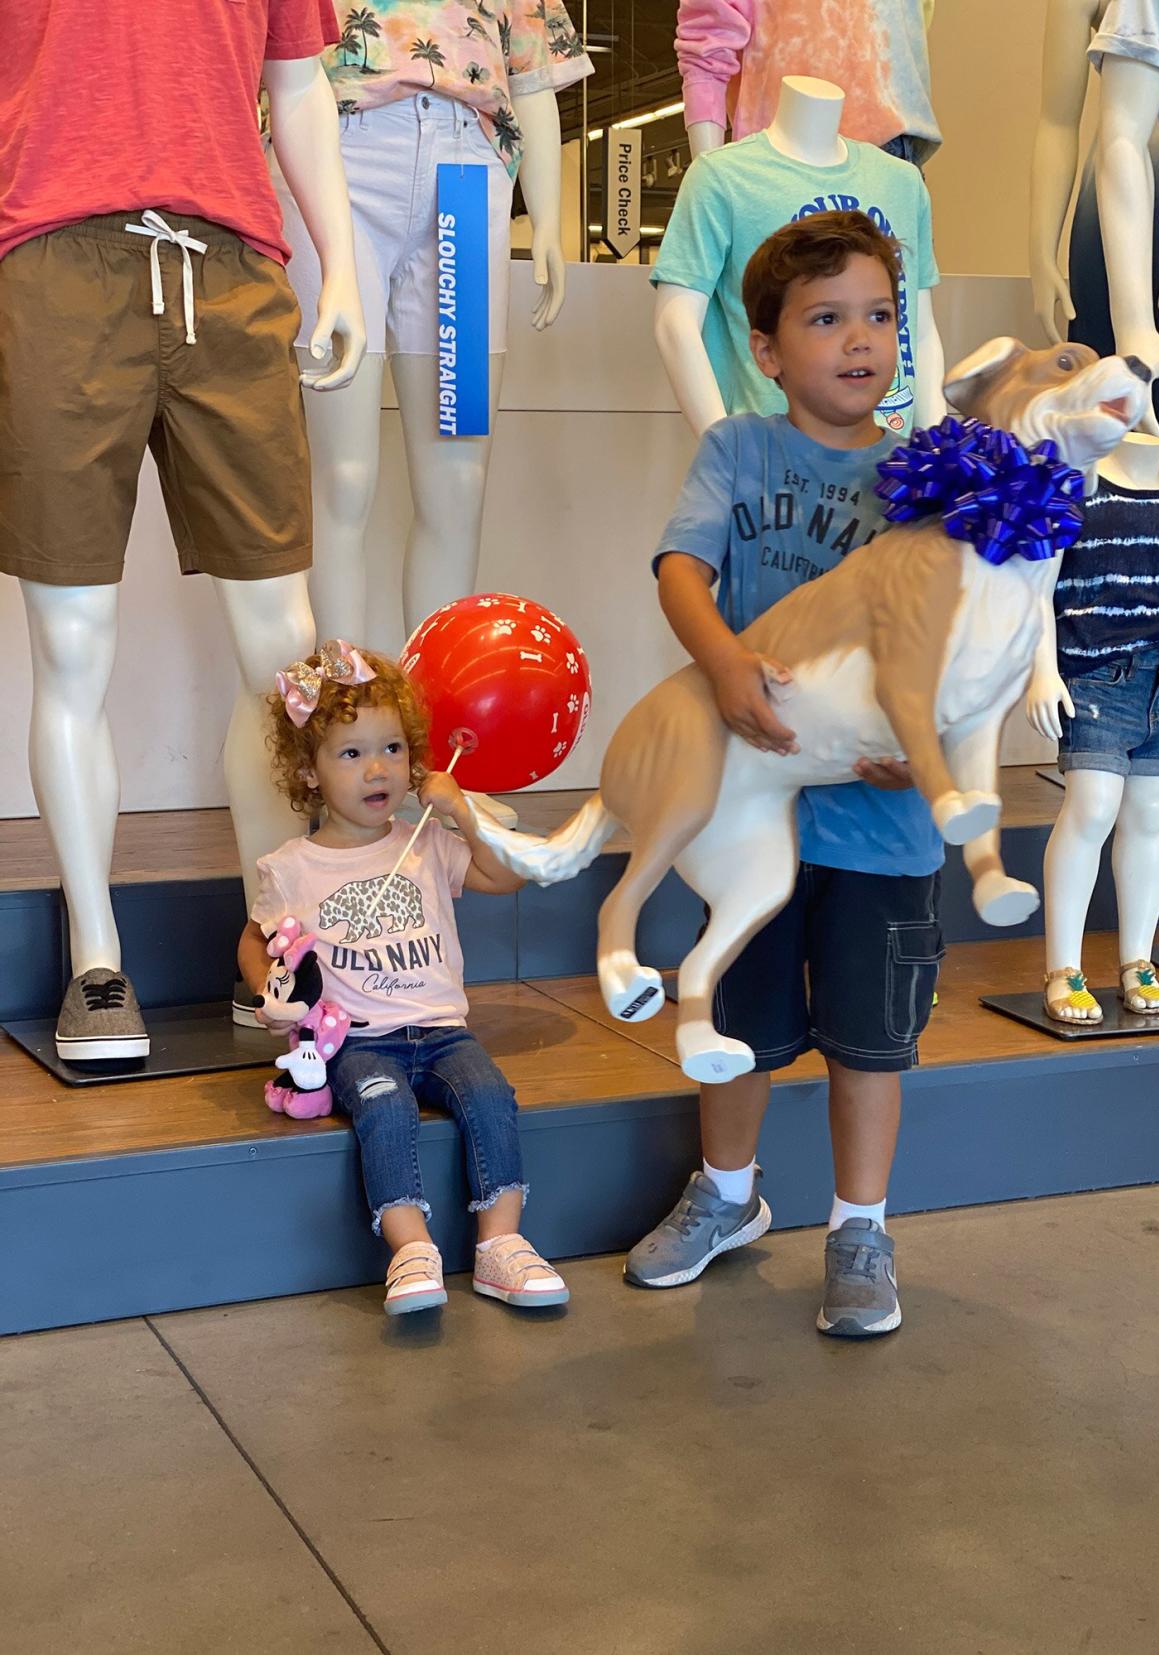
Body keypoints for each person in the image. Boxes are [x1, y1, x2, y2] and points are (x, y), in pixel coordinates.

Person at [626, 211, 944, 1337]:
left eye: (878, 316)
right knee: (737, 1017)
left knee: (871, 1036)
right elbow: (680, 567)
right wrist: (719, 664)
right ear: (765, 349)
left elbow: (970, 627)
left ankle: (862, 1226)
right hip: (746, 814)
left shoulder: (933, 471)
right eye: (825, 319)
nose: (860, 340)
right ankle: (727, 1194)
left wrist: (935, 753)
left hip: (886, 826)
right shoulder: (739, 451)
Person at [237, 642, 569, 1316]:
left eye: (391, 748)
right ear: (309, 771)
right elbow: (253, 940)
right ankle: (411, 1248)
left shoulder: (426, 841)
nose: (377, 767)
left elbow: (504, 875)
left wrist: (463, 813)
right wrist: (272, 990)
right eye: (351, 753)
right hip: (361, 1041)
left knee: (491, 1096)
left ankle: (500, 1244)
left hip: (445, 1032)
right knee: (384, 1110)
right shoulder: (291, 866)